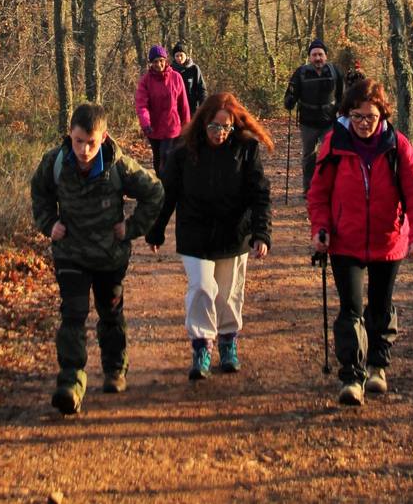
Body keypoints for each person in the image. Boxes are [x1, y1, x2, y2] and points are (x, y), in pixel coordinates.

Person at [30, 101, 164, 415]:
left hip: (109, 257)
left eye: (91, 142)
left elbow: (155, 192)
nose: (84, 149)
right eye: (78, 141)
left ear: (102, 138)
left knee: (110, 315)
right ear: (70, 135)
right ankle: (71, 382)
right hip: (71, 254)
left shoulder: (119, 166)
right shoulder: (55, 162)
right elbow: (39, 192)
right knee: (73, 315)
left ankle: (115, 370)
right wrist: (49, 224)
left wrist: (131, 228)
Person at [307, 76, 413, 406]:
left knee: (379, 306)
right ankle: (352, 376)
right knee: (350, 309)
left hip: (388, 240)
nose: (364, 124)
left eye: (371, 117)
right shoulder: (334, 144)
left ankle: (378, 366)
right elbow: (318, 194)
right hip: (344, 240)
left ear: (383, 116)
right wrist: (320, 228)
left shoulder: (398, 145)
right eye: (358, 117)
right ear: (347, 114)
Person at [145, 92, 273, 380]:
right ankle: (201, 345)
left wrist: (261, 232)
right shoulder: (182, 151)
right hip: (195, 233)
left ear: (234, 126)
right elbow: (167, 195)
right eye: (214, 127)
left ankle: (228, 341)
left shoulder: (246, 149)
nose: (220, 133)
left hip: (234, 233)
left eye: (226, 127)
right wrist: (156, 230)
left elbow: (260, 194)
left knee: (228, 293)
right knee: (202, 288)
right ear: (203, 123)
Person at [283, 39, 344, 194]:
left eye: (320, 54)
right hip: (307, 123)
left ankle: (329, 187)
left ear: (326, 56)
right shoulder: (300, 73)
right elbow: (290, 97)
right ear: (309, 57)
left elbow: (341, 95)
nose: (318, 58)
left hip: (329, 121)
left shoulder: (335, 71)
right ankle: (309, 189)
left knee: (330, 155)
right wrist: (289, 100)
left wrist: (340, 111)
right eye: (314, 55)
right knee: (309, 157)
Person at [134, 44, 191, 176]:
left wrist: (187, 126)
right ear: (151, 63)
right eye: (155, 61)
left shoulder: (176, 78)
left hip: (172, 127)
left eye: (161, 61)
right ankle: (160, 185)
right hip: (154, 128)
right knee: (158, 159)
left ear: (166, 61)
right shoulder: (145, 81)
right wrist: (145, 123)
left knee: (167, 157)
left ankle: (168, 186)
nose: (158, 64)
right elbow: (142, 105)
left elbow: (184, 104)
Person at [172, 43, 206, 113]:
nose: (179, 58)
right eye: (177, 56)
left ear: (186, 55)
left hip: (192, 109)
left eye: (181, 55)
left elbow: (201, 89)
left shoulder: (194, 69)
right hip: (175, 110)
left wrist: (203, 107)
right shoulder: (171, 70)